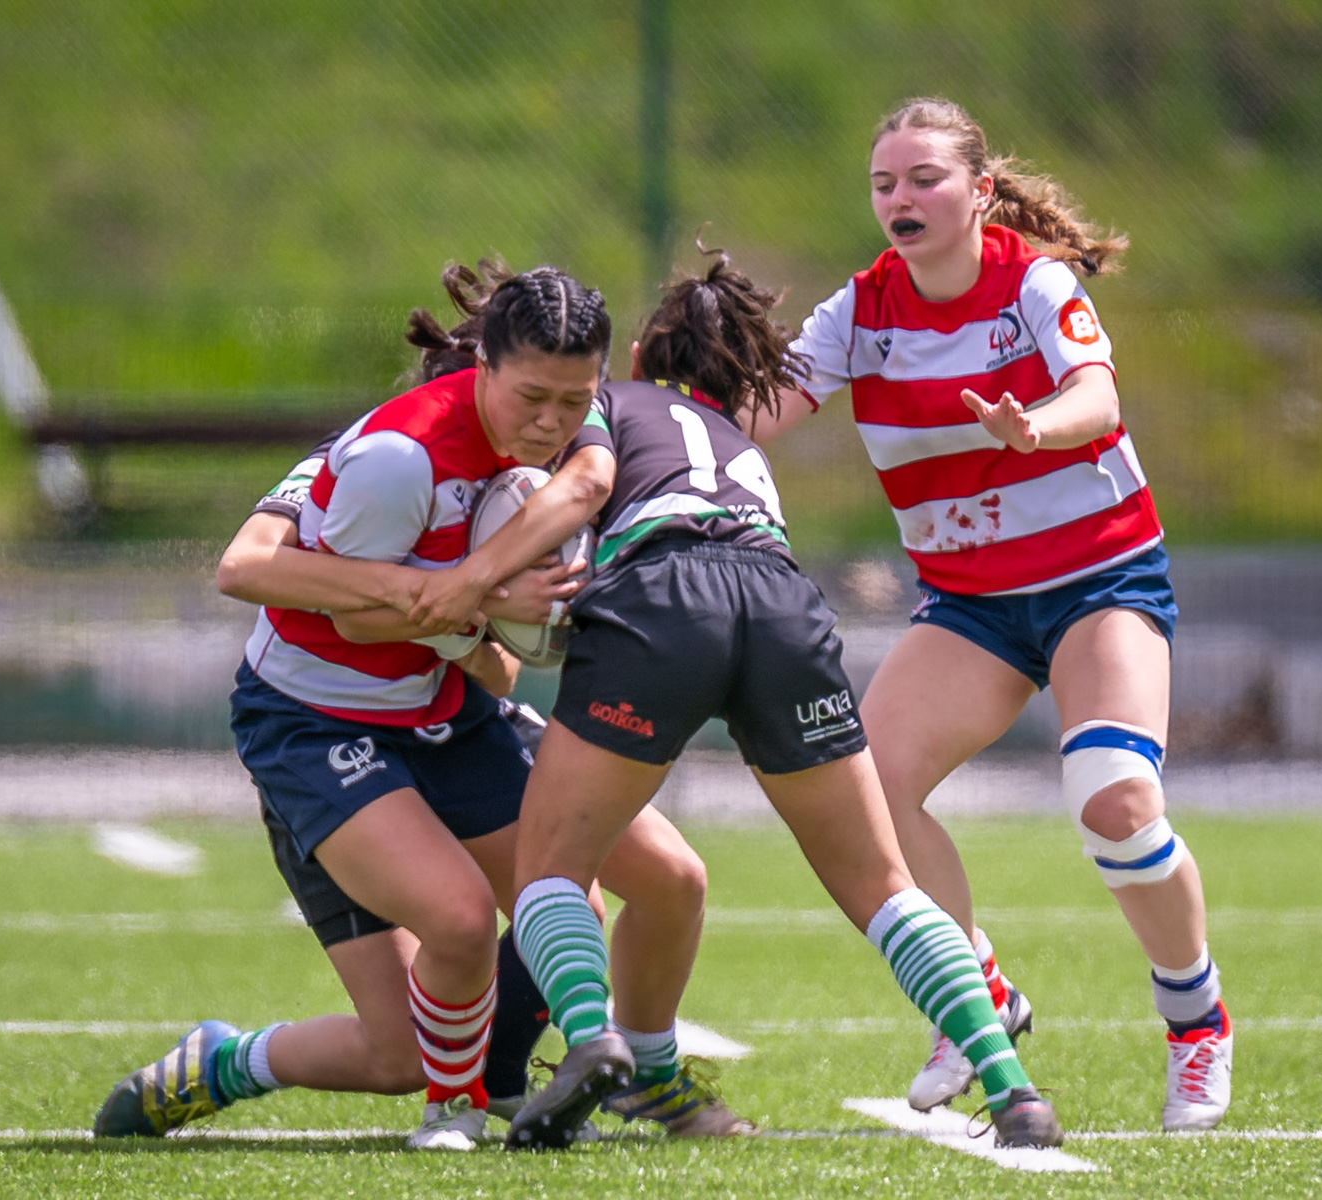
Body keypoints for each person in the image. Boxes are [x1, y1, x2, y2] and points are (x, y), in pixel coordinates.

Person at [410, 247, 1064, 1151]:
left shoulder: (600, 406)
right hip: (782, 603)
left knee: (551, 869)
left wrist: (487, 583)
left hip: (664, 598)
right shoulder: (735, 445)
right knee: (883, 885)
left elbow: (577, 492)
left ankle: (599, 1042)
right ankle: (1012, 1085)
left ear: (633, 359)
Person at [92, 263, 736, 1150]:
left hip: (445, 709)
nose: (553, 423)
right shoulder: (397, 462)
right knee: (449, 951)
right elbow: (322, 602)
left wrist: (494, 627)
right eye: (533, 399)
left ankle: (542, 1077)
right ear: (483, 368)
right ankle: (271, 1069)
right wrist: (488, 602)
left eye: (574, 400)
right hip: (320, 721)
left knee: (614, 890)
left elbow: (506, 641)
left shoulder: (561, 435)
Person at [749, 97, 1233, 1131]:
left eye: (924, 179)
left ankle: (1196, 1023)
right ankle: (980, 996)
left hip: (1099, 580)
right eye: (884, 184)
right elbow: (759, 416)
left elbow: (1096, 401)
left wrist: (1034, 429)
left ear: (978, 190)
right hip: (971, 603)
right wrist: (647, 429)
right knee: (867, 795)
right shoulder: (861, 310)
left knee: (1114, 801)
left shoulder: (1032, 284)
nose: (900, 200)